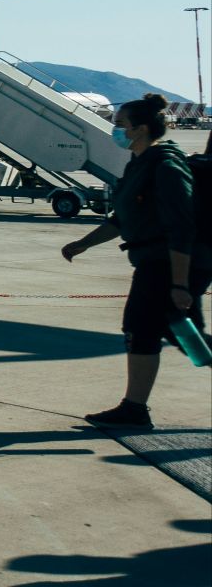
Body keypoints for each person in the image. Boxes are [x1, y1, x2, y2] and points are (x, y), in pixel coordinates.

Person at [60, 93, 209, 427]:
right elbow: (122, 219)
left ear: (140, 129)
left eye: (120, 125)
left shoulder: (167, 167)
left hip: (170, 263)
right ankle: (134, 408)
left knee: (147, 330)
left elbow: (181, 227)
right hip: (154, 262)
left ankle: (134, 409)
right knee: (180, 338)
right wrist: (83, 244)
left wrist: (181, 283)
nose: (115, 130)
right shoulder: (140, 163)